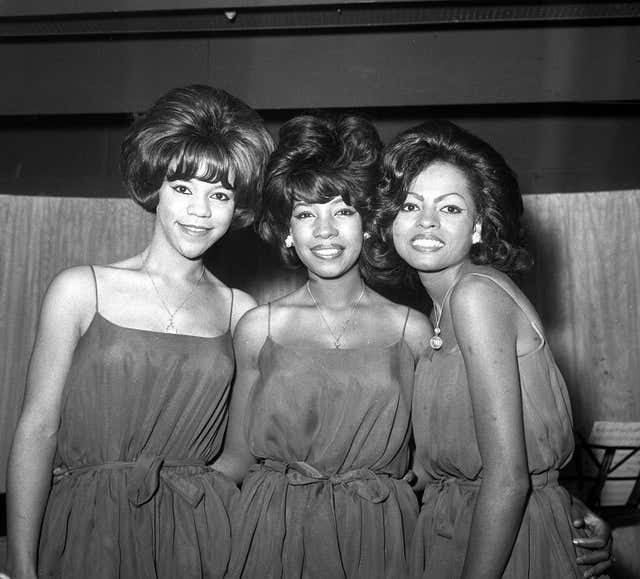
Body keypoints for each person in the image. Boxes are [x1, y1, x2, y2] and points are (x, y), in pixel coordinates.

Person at [5, 85, 273, 579]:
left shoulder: (243, 312)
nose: (199, 210)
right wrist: (21, 565)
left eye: (220, 195)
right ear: (155, 186)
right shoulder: (80, 290)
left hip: (195, 537)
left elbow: (242, 453)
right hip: (85, 527)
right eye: (184, 187)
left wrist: (197, 501)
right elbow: (37, 429)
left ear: (238, 208)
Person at [371, 119, 613, 578]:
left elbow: (507, 480)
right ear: (388, 221)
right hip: (458, 529)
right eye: (409, 205)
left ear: (479, 224)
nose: (426, 221)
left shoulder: (475, 296)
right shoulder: (437, 315)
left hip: (500, 547)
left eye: (450, 208)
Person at [212, 112, 431, 578]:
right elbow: (236, 457)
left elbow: (441, 461)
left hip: (378, 536)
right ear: (288, 231)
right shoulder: (258, 327)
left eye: (343, 211)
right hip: (272, 533)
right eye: (307, 213)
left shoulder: (413, 329)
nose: (325, 230)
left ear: (370, 223)